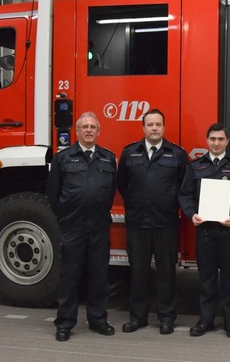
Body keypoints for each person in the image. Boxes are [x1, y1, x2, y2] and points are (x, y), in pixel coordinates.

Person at [116, 108, 189, 335]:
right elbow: (122, 184)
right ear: (143, 127)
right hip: (138, 223)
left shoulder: (176, 154)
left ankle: (166, 318)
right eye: (150, 125)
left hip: (166, 223)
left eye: (158, 124)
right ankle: (138, 317)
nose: (154, 128)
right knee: (138, 272)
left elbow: (184, 186)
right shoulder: (130, 153)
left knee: (167, 273)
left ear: (164, 127)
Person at [47, 112, 117, 342]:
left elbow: (111, 191)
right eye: (84, 127)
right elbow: (53, 194)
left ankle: (98, 320)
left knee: (99, 277)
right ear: (76, 132)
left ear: (98, 131)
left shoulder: (108, 158)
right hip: (72, 227)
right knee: (70, 277)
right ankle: (65, 323)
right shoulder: (63, 158)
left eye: (92, 127)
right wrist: (67, 215)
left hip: (98, 227)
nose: (88, 130)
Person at [179, 123, 230, 338]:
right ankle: (205, 320)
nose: (216, 143)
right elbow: (185, 195)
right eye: (212, 139)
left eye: (220, 139)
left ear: (227, 141)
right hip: (205, 231)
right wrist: (192, 214)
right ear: (207, 141)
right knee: (206, 278)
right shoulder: (195, 166)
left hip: (228, 231)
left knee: (229, 278)